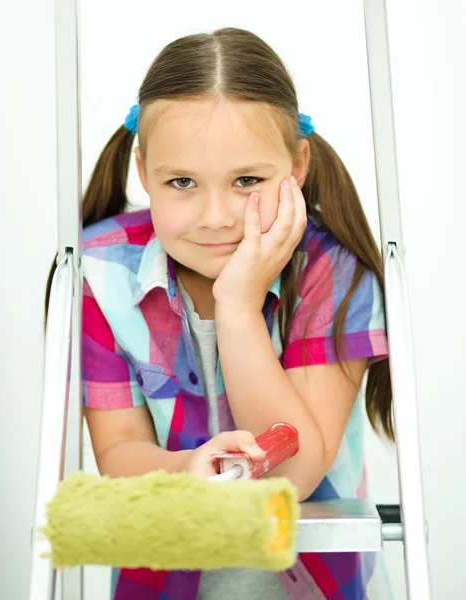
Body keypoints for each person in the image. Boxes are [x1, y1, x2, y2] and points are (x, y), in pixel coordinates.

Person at [46, 27, 394, 600]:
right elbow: (119, 454)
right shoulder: (100, 276)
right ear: (142, 169)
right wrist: (188, 472)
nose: (215, 216)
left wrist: (238, 307)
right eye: (181, 182)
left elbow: (292, 473)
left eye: (247, 181)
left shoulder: (335, 276)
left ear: (298, 165)